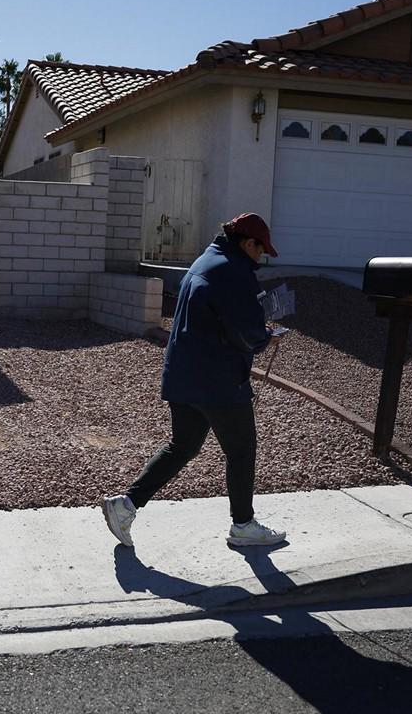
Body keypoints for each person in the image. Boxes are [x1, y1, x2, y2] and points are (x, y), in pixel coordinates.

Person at [103, 212, 287, 549]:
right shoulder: (234, 272)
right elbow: (245, 332)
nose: (261, 258)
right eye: (261, 250)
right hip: (218, 380)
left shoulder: (207, 260)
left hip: (184, 375)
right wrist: (267, 337)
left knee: (183, 446)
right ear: (248, 243)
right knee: (242, 449)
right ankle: (243, 526)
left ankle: (125, 506)